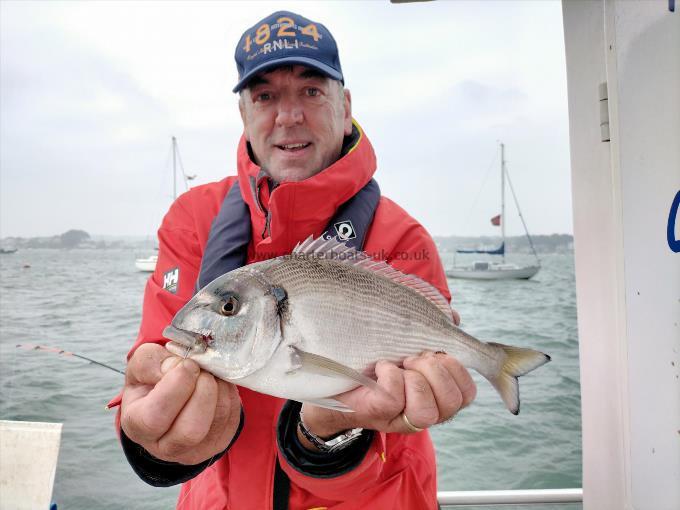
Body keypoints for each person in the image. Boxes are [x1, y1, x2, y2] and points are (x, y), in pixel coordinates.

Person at [110, 10, 476, 510]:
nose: (288, 115)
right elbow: (155, 361)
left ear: (344, 106)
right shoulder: (191, 219)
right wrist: (157, 436)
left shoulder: (403, 236)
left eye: (311, 90)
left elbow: (401, 421)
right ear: (243, 114)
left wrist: (327, 432)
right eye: (265, 96)